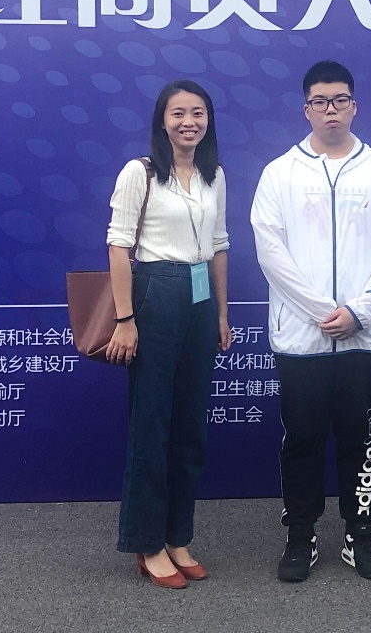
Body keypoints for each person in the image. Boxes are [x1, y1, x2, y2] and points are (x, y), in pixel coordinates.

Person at [251, 60, 371, 582]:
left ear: (354, 106)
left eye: (340, 100)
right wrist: (323, 312)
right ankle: (300, 535)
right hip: (302, 339)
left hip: (364, 338)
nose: (331, 110)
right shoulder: (280, 173)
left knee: (360, 440)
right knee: (301, 440)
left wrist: (360, 312)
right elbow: (270, 252)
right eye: (320, 102)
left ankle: (359, 533)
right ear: (306, 109)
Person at [105, 78, 233, 589]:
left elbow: (219, 245)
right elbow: (118, 246)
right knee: (152, 425)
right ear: (162, 120)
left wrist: (221, 314)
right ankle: (147, 542)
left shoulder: (213, 175)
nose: (189, 122)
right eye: (178, 113)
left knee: (190, 428)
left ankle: (178, 537)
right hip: (155, 293)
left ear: (208, 120)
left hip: (200, 299)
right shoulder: (140, 172)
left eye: (198, 112)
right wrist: (125, 319)